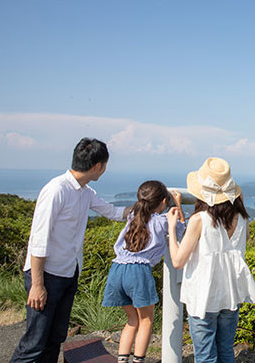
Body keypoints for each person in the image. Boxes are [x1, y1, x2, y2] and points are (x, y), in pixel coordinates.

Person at [11, 138, 132, 363]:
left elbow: (113, 212)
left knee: (55, 339)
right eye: (105, 165)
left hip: (68, 273)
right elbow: (39, 240)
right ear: (98, 166)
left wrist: (145, 206)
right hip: (47, 275)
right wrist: (37, 286)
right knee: (34, 343)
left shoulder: (85, 192)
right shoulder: (57, 189)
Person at [167, 157, 255, 363]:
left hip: (204, 298)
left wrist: (172, 229)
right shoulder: (243, 219)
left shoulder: (199, 220)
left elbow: (177, 261)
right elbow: (237, 245)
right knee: (226, 351)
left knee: (205, 356)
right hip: (230, 296)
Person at [101, 180, 184, 363]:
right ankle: (138, 360)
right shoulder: (161, 222)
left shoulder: (133, 216)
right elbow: (181, 231)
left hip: (117, 269)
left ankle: (122, 360)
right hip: (138, 272)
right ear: (164, 201)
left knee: (132, 320)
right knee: (146, 320)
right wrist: (177, 205)